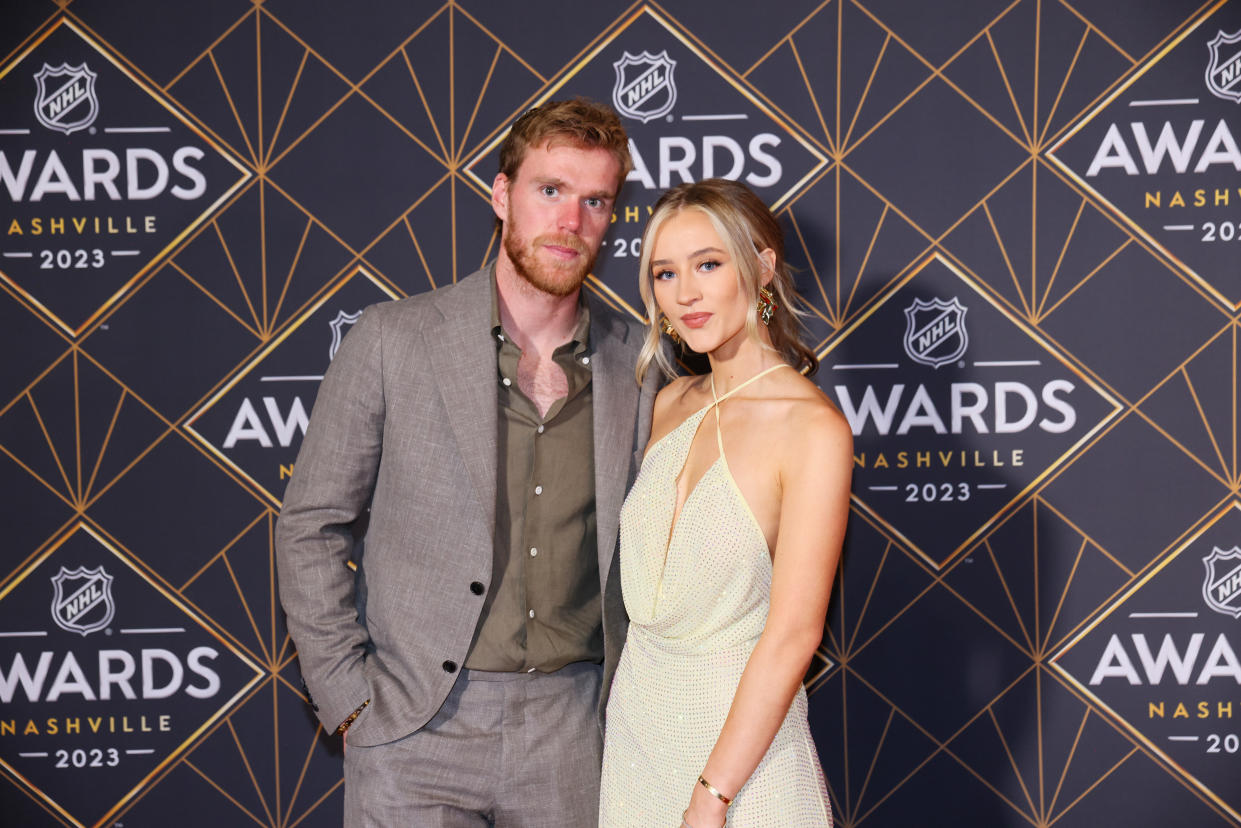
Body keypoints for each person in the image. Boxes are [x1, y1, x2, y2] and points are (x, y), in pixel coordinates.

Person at [275, 98, 661, 826]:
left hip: (573, 731)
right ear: (500, 193)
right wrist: (349, 698)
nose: (570, 222)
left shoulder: (638, 366)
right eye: (550, 191)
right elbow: (311, 524)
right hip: (415, 723)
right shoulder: (394, 338)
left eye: (595, 201)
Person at [599, 178, 852, 827]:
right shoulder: (666, 404)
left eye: (707, 264)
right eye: (664, 272)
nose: (684, 293)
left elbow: (794, 634)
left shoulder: (812, 430)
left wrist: (712, 796)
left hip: (744, 767)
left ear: (761, 267)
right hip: (635, 748)